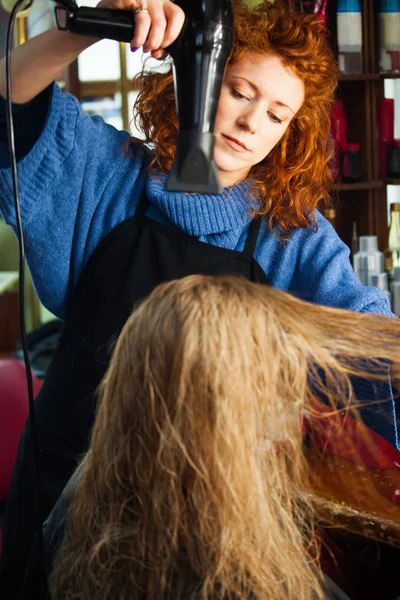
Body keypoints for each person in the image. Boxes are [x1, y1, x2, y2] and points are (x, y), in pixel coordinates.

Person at [0, 0, 396, 596]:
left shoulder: (293, 236)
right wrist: (82, 26)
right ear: (198, 78)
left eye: (277, 115)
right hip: (62, 480)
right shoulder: (108, 173)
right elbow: (11, 103)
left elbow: (373, 351)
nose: (251, 124)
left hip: (210, 511)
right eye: (240, 91)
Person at [24, 274, 400, 600]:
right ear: (221, 413)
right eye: (268, 388)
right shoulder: (245, 583)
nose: (286, 411)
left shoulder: (81, 498)